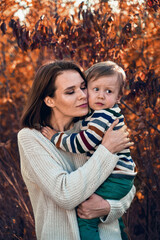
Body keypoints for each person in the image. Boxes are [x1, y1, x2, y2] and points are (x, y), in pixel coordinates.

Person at [18, 60, 136, 240]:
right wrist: (106, 149)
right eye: (70, 92)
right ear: (49, 100)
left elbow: (129, 185)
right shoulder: (32, 138)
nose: (82, 95)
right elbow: (65, 194)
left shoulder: (91, 127)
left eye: (83, 87)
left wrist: (109, 208)